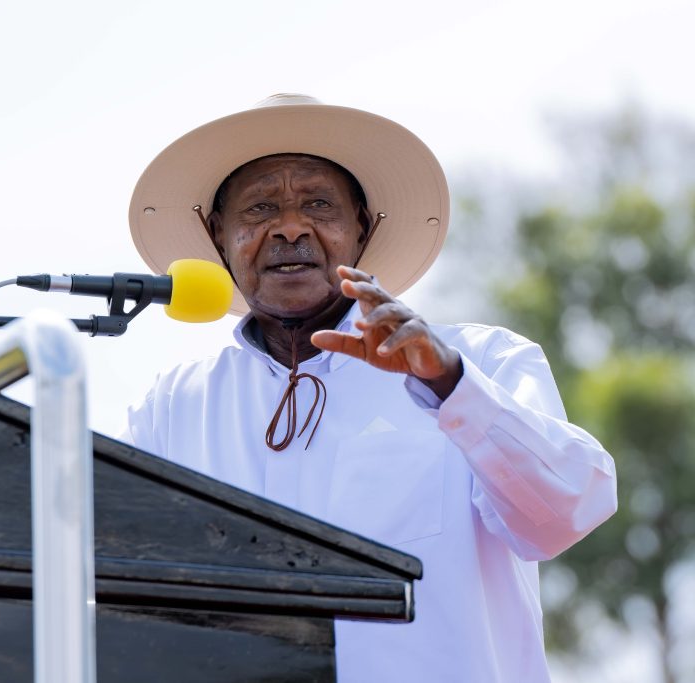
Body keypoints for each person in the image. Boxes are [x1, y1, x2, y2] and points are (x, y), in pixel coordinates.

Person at [122, 94, 618, 682]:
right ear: (217, 236)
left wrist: (450, 384)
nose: (288, 227)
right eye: (259, 208)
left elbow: (567, 512)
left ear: (362, 228)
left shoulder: (482, 360)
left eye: (317, 204)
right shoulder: (174, 409)